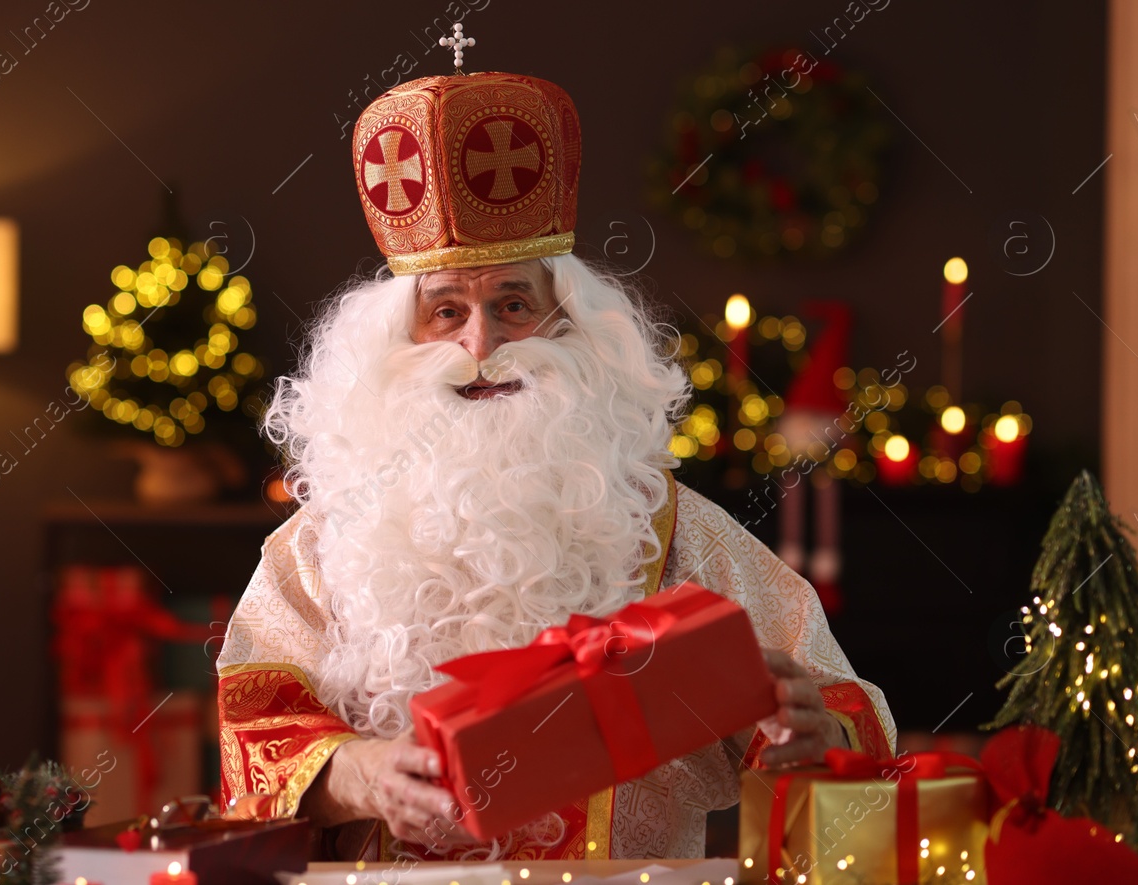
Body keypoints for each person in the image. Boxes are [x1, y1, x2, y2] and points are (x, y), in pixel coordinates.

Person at [216, 40, 893, 862]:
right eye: (445, 311)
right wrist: (360, 773)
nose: (481, 344)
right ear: (393, 340)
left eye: (513, 304)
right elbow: (253, 724)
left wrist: (809, 731)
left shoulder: (675, 534)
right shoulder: (321, 548)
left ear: (573, 326)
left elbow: (840, 710)